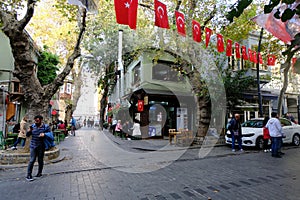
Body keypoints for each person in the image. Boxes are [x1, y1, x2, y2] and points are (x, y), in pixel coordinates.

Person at [26, 115, 51, 181]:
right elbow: (27, 135)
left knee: (40, 160)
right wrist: (29, 131)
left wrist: (44, 134)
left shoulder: (45, 127)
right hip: (33, 146)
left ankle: (39, 172)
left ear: (41, 120)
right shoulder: (33, 127)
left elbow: (50, 134)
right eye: (35, 121)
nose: (36, 122)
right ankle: (29, 175)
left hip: (41, 146)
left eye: (37, 121)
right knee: (32, 160)